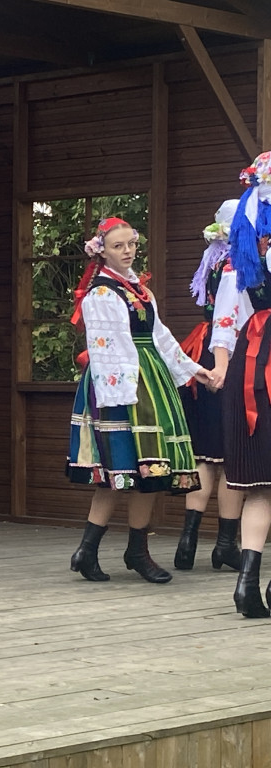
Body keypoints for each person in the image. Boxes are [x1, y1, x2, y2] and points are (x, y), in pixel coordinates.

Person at [67, 217, 211, 585]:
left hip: (149, 378)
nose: (127, 251)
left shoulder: (139, 291)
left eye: (130, 244)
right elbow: (107, 349)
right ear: (103, 252)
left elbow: (160, 336)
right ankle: (92, 550)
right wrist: (121, 396)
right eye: (118, 246)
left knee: (150, 470)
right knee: (120, 473)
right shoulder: (101, 293)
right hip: (119, 384)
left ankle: (132, 550)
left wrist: (194, 370)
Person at [172, 200, 244, 571]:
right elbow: (229, 321)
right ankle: (224, 545)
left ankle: (187, 544)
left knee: (205, 455)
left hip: (202, 351)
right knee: (231, 458)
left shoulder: (212, 257)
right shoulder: (238, 263)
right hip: (229, 356)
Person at [219, 151, 271, 617]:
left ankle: (246, 584)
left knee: (260, 486)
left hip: (252, 357)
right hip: (265, 360)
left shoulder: (243, 254)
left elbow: (226, 321)